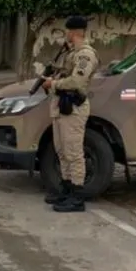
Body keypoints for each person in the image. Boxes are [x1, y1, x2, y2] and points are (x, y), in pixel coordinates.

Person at [42, 16, 99, 213]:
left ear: (74, 32)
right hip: (62, 106)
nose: (65, 34)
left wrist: (54, 84)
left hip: (74, 108)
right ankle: (66, 189)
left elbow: (77, 81)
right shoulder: (70, 53)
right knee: (62, 151)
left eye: (68, 31)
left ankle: (77, 196)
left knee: (74, 153)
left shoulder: (85, 55)